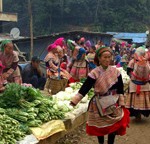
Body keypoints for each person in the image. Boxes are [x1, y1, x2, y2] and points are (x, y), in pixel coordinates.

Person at [70, 46, 130, 144]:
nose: (107, 59)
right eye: (104, 57)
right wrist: (75, 100)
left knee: (113, 127)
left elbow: (120, 88)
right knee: (100, 129)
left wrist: (121, 100)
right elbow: (86, 87)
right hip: (99, 104)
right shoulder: (94, 73)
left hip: (113, 102)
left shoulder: (116, 72)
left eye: (109, 57)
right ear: (99, 58)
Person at [125, 46, 150, 120]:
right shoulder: (132, 61)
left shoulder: (147, 62)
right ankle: (137, 114)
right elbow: (129, 71)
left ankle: (140, 113)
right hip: (134, 84)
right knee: (135, 101)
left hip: (144, 84)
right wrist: (133, 77)